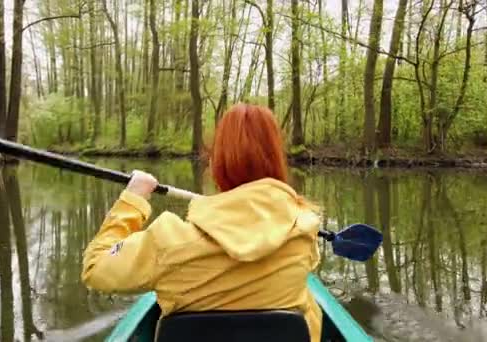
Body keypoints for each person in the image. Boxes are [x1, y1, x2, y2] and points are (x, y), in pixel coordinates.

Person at [81, 103, 323, 342]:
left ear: (216, 163)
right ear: (277, 160)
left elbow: (95, 267)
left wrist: (132, 200)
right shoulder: (304, 230)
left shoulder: (168, 242)